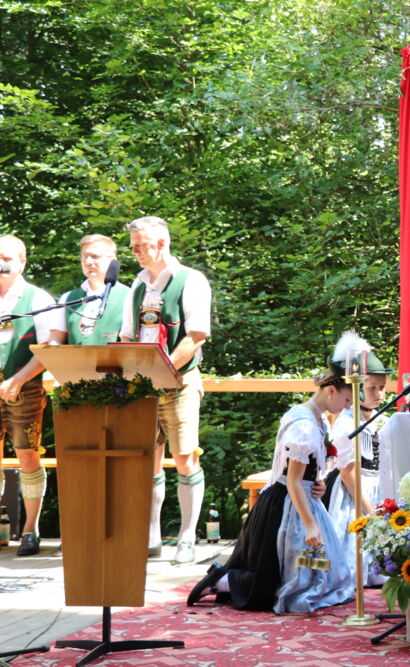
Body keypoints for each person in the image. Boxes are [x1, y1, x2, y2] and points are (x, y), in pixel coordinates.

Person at [186, 366, 355, 613]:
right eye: (347, 399)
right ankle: (222, 580)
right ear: (331, 390)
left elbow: (307, 469)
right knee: (272, 580)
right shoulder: (304, 425)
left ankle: (226, 581)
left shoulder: (318, 420)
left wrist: (317, 482)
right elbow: (293, 480)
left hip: (303, 498)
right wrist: (310, 525)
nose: (347, 406)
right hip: (287, 502)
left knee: (314, 574)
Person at [119, 216, 212, 564]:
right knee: (147, 459)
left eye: (140, 246)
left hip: (180, 381)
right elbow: (127, 335)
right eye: (133, 247)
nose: (135, 252)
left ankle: (187, 536)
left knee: (185, 458)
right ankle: (151, 535)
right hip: (143, 384)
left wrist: (165, 370)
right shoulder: (138, 284)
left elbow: (196, 335)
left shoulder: (191, 280)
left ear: (161, 243)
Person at [0, 235, 68, 556]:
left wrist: (17, 379)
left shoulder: (37, 298)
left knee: (27, 455)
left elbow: (49, 348)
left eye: (6, 258)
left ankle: (30, 530)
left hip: (25, 387)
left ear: (22, 262)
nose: (0, 263)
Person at [324, 331, 391, 586]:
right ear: (357, 387)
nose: (379, 394)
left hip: (377, 488)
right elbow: (348, 473)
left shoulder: (379, 419)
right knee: (354, 558)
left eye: (382, 388)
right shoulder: (347, 422)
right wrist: (370, 512)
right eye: (372, 388)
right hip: (354, 494)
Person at [58, 235, 129, 345]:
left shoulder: (129, 296)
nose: (88, 262)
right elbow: (56, 339)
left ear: (113, 261)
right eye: (84, 257)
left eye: (94, 256)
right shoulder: (67, 298)